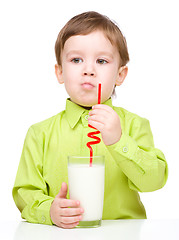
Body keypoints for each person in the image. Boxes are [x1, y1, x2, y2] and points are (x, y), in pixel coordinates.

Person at [12, 11, 168, 229]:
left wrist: (119, 141)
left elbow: (154, 180)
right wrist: (49, 210)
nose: (89, 70)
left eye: (101, 61)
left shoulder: (134, 125)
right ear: (59, 72)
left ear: (120, 75)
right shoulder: (40, 133)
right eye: (76, 60)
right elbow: (24, 193)